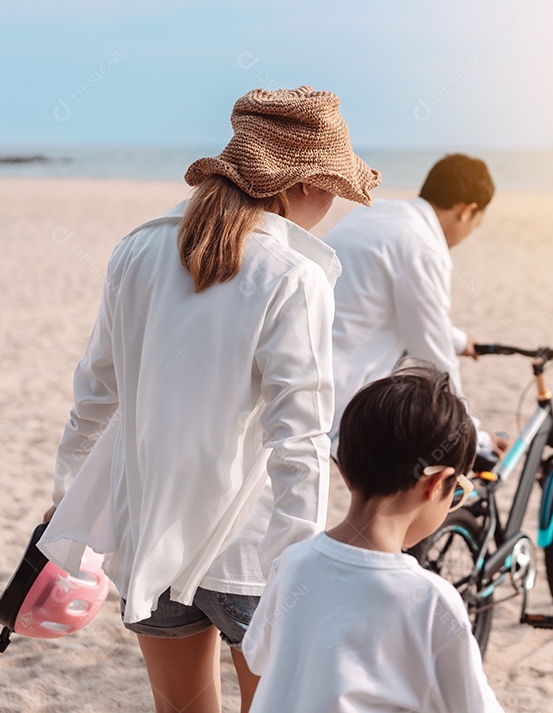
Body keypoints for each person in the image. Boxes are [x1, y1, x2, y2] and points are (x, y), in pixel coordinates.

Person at [38, 86, 380, 713]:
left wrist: (67, 500)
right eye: (333, 183)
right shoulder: (293, 274)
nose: (334, 203)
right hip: (255, 550)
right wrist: (298, 566)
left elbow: (95, 392)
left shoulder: (137, 248)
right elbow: (299, 436)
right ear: (300, 181)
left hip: (149, 535)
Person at [243, 364, 504, 713]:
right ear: (435, 484)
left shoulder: (292, 563)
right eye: (457, 490)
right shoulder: (431, 600)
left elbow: (257, 656)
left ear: (346, 471)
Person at [322, 153, 505, 457]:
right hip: (337, 403)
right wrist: (471, 431)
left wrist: (460, 340)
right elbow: (434, 359)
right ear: (466, 211)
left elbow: (403, 310)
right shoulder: (424, 247)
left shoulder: (375, 212)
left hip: (296, 375)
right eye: (476, 224)